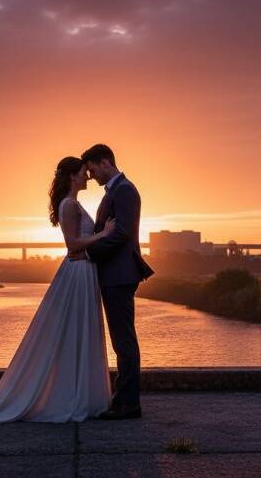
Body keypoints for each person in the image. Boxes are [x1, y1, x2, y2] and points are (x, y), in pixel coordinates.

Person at [0, 156, 114, 424]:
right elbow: (72, 244)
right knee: (72, 330)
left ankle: (77, 393)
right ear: (72, 176)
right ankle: (70, 396)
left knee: (77, 330)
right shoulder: (69, 205)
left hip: (83, 270)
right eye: (84, 172)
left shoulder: (72, 203)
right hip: (78, 271)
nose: (88, 177)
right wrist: (103, 234)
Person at [81, 144, 154, 420]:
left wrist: (89, 252)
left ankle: (128, 404)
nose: (91, 176)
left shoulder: (124, 190)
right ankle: (123, 400)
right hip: (115, 274)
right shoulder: (116, 190)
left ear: (105, 162)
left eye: (92, 170)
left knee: (124, 340)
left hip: (119, 274)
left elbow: (121, 233)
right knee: (121, 340)